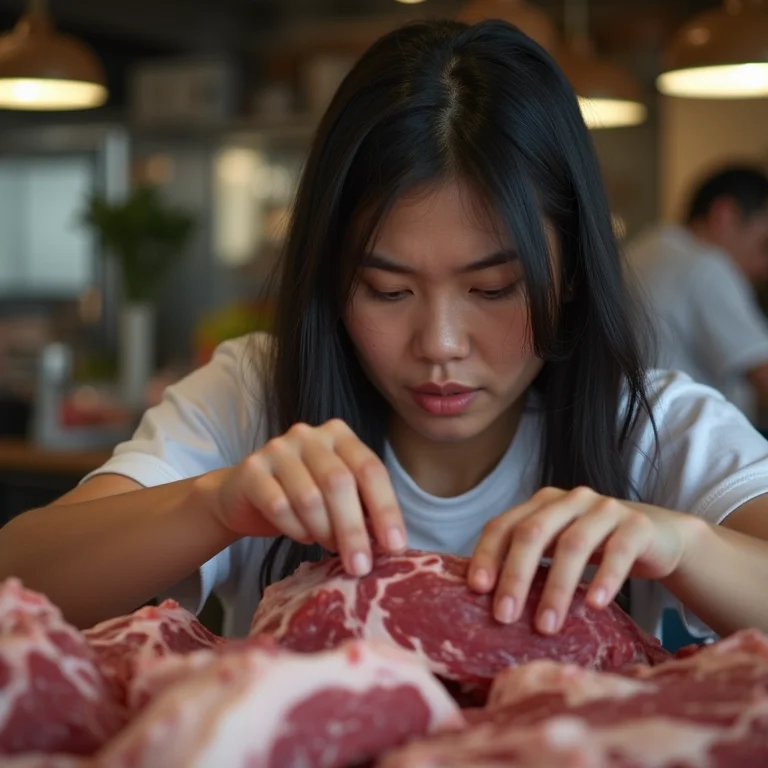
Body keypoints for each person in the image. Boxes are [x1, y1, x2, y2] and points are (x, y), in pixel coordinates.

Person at [2, 20, 768, 648]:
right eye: (388, 289)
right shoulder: (256, 396)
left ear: (570, 275)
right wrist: (216, 504)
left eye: (493, 289)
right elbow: (21, 574)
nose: (439, 342)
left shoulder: (650, 424)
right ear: (332, 277)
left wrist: (685, 546)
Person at [625, 166, 768, 422]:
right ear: (726, 216)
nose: (764, 267)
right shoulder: (706, 266)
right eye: (764, 244)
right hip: (694, 444)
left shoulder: (642, 249)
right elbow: (764, 375)